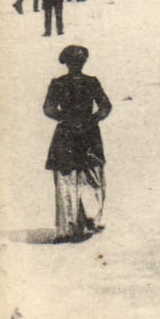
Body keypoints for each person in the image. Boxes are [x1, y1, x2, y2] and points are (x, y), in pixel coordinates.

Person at [43, 45, 111, 242]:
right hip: (88, 134)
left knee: (67, 179)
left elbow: (48, 109)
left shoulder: (58, 83)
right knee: (92, 177)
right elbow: (105, 105)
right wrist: (94, 119)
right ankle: (90, 221)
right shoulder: (91, 82)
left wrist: (65, 118)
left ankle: (68, 227)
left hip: (66, 134)